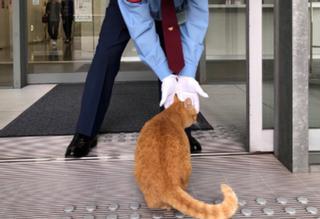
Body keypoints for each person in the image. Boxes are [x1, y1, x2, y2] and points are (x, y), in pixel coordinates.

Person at [65, 0, 209, 158]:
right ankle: (86, 131)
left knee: (177, 59)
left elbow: (197, 18)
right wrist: (165, 75)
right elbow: (142, 30)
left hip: (171, 10)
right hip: (127, 8)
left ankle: (179, 130)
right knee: (105, 57)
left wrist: (187, 74)